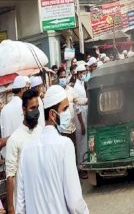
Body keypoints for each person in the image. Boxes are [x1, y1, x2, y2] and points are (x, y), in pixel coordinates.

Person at [16, 85, 89, 214]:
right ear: (52, 115)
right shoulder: (64, 145)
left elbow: (20, 206)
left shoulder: (27, 151)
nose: (69, 113)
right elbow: (75, 202)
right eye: (65, 108)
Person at [6, 90, 42, 214]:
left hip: (41, 198)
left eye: (37, 107)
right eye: (32, 108)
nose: (36, 111)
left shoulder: (41, 132)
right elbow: (10, 176)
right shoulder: (14, 139)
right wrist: (11, 208)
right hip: (24, 203)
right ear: (24, 109)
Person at [57, 68, 87, 161]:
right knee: (62, 154)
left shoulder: (71, 90)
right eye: (61, 77)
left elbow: (78, 104)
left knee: (73, 152)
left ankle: (76, 172)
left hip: (71, 129)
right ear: (57, 78)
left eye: (64, 77)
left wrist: (89, 99)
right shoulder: (55, 91)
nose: (63, 79)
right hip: (60, 130)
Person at [0, 76, 28, 156]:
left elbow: (3, 132)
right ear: (22, 90)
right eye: (25, 88)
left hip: (9, 154)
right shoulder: (24, 107)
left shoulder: (4, 109)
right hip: (23, 152)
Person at [73, 64, 88, 172]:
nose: (84, 74)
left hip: (84, 111)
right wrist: (82, 123)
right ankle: (81, 167)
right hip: (80, 115)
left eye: (84, 72)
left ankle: (85, 164)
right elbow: (77, 106)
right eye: (82, 73)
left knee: (85, 141)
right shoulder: (76, 87)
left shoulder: (82, 84)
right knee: (81, 141)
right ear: (78, 74)